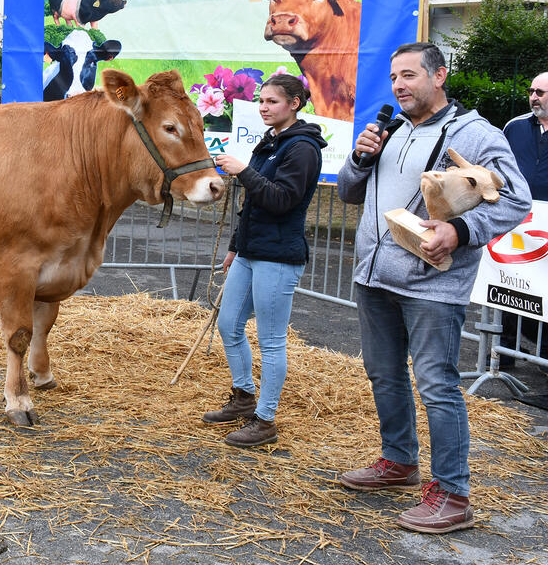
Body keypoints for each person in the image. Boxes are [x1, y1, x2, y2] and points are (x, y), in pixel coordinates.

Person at [337, 42, 530, 534]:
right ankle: (398, 462)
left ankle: (453, 494)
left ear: (439, 75)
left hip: (431, 285)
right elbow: (346, 191)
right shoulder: (393, 129)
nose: (399, 85)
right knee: (384, 375)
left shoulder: (475, 133)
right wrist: (361, 159)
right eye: (394, 77)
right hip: (375, 276)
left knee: (437, 386)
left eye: (409, 75)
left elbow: (517, 201)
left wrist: (459, 232)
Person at [204, 74, 325, 447]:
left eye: (272, 101)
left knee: (272, 341)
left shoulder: (302, 148)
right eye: (261, 100)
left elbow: (281, 199)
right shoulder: (270, 142)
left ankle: (265, 420)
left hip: (279, 255)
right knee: (229, 324)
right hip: (251, 251)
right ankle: (243, 397)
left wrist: (245, 171)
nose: (263, 107)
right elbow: (252, 204)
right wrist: (235, 246)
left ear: (294, 103)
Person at [500, 71, 548, 365]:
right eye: (531, 91)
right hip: (517, 221)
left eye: (540, 92)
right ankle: (506, 350)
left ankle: (544, 353)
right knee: (510, 285)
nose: (533, 97)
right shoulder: (514, 127)